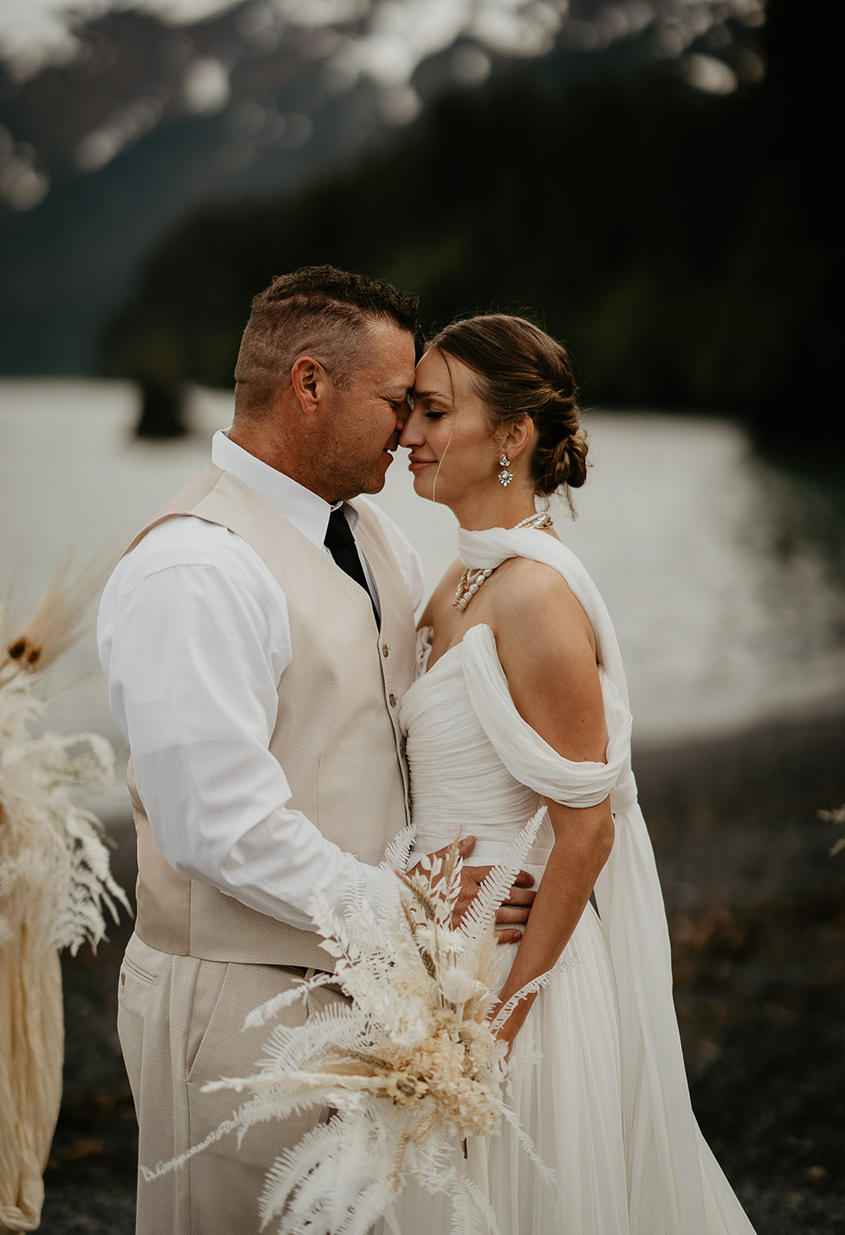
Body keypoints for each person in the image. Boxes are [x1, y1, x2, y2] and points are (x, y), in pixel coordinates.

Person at [96, 267, 534, 1235]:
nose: (408, 431)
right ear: (307, 383)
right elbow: (220, 824)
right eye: (393, 402)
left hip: (373, 983)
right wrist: (415, 913)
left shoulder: (373, 534)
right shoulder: (195, 566)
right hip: (237, 1006)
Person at [383, 313, 757, 1233]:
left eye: (433, 412)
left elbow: (586, 827)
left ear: (510, 437)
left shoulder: (536, 596)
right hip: (440, 954)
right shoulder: (460, 579)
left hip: (518, 978)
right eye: (408, 411)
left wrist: (498, 1024)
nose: (407, 434)